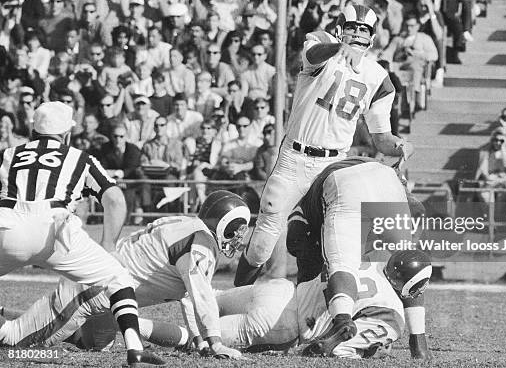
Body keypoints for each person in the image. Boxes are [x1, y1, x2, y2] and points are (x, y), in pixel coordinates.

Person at [234, 4, 414, 286]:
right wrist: (337, 49)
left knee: (326, 239)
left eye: (363, 29)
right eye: (352, 27)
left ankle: (320, 304)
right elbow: (312, 54)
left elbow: (381, 138)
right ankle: (239, 295)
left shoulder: (379, 78)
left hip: (333, 166)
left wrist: (400, 145)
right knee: (265, 234)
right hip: (295, 157)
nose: (357, 33)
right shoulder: (323, 44)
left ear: (373, 37)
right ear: (340, 29)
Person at [0, 102, 164, 367]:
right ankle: (134, 348)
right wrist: (108, 244)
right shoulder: (79, 158)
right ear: (66, 134)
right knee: (118, 278)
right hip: (55, 229)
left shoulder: (9, 153)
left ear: (33, 129)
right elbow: (115, 199)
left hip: (6, 225)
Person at [0, 191, 248, 360]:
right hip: (95, 289)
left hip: (109, 298)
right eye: (237, 229)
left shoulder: (187, 225)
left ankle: (9, 314)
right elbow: (202, 296)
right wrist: (214, 341)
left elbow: (189, 295)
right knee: (17, 345)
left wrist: (199, 338)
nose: (239, 236)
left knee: (94, 344)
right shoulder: (201, 243)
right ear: (223, 223)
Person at [135, 250, 431, 360]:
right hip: (283, 324)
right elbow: (337, 348)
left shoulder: (364, 258)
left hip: (280, 290)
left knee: (205, 299)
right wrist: (370, 354)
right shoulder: (391, 314)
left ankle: (121, 304)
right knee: (194, 339)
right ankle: (131, 326)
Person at [284, 157, 427, 357]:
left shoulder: (303, 212)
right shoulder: (378, 168)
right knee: (408, 264)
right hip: (386, 178)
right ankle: (419, 342)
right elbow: (418, 210)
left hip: (344, 184)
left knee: (342, 264)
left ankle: (342, 321)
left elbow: (301, 247)